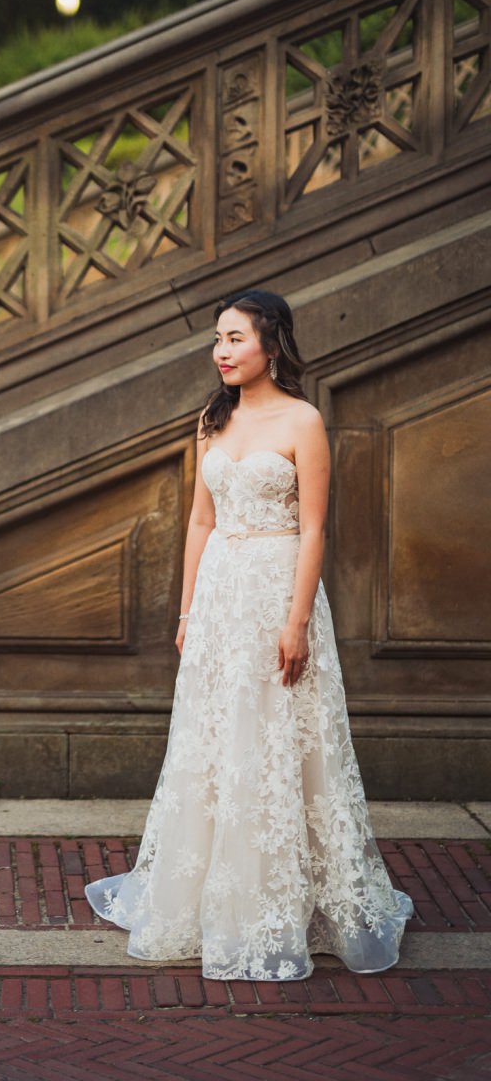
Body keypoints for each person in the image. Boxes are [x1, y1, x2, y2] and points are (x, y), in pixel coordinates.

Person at [84, 289, 412, 981]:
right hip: (220, 600)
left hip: (276, 590)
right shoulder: (212, 420)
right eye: (217, 340)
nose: (222, 351)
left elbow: (316, 528)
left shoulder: (304, 420)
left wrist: (295, 622)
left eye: (234, 338)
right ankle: (210, 897)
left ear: (271, 344)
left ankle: (291, 902)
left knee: (279, 742)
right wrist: (186, 611)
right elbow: (200, 521)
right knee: (214, 742)